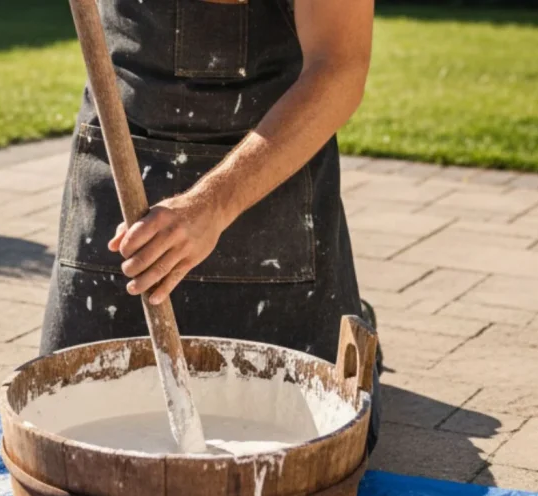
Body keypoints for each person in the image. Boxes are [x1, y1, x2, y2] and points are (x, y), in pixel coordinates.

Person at [41, 0, 381, 452]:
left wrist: (212, 204)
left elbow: (339, 69)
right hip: (124, 156)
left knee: (320, 440)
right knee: (59, 426)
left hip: (269, 171)